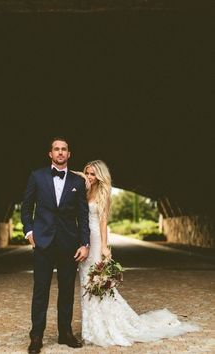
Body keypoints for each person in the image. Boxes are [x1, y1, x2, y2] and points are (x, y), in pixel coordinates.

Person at [78, 159, 200, 347]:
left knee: (97, 283)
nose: (89, 176)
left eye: (93, 174)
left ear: (101, 176)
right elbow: (70, 176)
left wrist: (104, 246)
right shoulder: (84, 190)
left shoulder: (103, 194)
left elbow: (103, 223)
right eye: (87, 173)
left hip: (95, 240)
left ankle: (103, 327)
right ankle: (91, 328)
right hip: (83, 240)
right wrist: (78, 176)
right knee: (86, 282)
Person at [21, 136, 90, 353]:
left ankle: (65, 333)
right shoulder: (37, 176)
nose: (60, 152)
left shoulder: (78, 182)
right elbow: (26, 207)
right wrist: (29, 231)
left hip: (69, 244)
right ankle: (36, 336)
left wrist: (85, 243)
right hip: (43, 243)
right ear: (50, 154)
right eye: (56, 149)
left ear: (69, 154)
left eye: (64, 149)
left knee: (67, 290)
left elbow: (83, 216)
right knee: (41, 290)